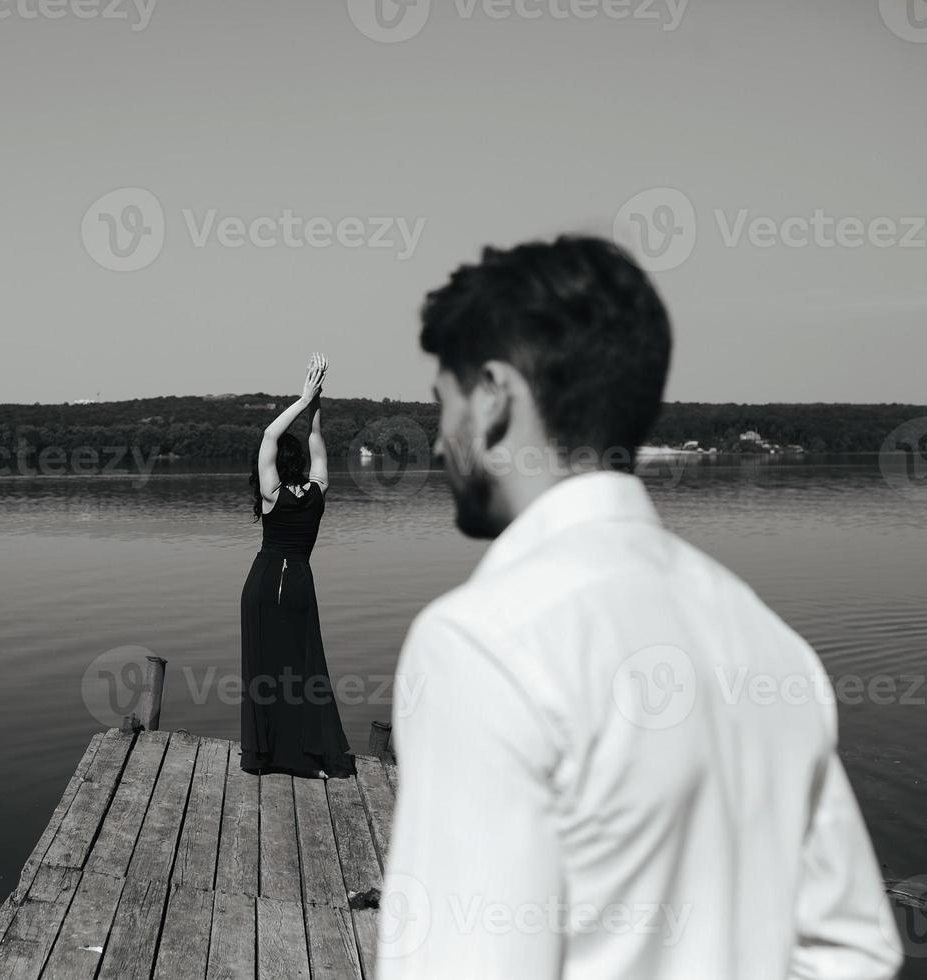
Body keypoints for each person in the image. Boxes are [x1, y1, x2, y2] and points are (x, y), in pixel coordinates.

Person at [378, 236, 901, 979]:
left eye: (444, 405)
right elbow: (854, 950)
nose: (437, 445)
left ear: (494, 396)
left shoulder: (483, 642)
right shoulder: (768, 639)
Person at [240, 353, 355, 779]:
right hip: (300, 583)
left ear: (276, 466)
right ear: (302, 465)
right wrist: (318, 405)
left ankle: (263, 755)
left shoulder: (271, 495)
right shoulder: (318, 492)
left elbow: (270, 434)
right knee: (302, 670)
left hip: (264, 584)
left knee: (263, 669)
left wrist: (303, 398)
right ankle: (308, 758)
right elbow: (318, 446)